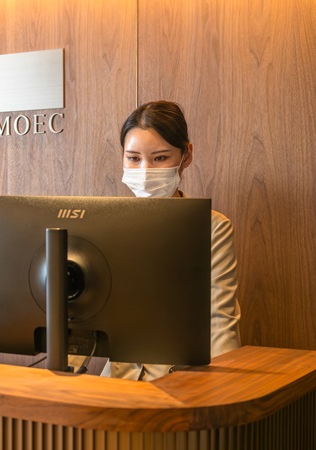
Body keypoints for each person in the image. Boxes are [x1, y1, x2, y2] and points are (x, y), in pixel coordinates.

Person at [103, 100, 241, 380]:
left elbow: (221, 324)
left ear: (186, 155)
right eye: (133, 158)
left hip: (181, 383)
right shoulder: (105, 224)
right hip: (115, 383)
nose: (145, 170)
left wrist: (222, 392)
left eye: (159, 158)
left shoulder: (211, 229)